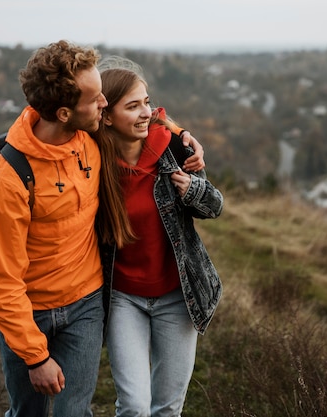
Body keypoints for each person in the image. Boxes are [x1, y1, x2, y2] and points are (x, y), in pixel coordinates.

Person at [0, 41, 204, 417]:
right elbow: (0, 283)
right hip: (29, 310)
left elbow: (144, 114)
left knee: (75, 413)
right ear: (65, 112)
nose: (104, 103)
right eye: (96, 98)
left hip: (86, 305)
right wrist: (35, 359)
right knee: (28, 413)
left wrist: (183, 134)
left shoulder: (91, 139)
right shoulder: (11, 178)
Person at [94, 59, 223, 417]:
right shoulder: (91, 160)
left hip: (177, 297)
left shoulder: (175, 151)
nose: (145, 113)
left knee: (167, 408)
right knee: (134, 406)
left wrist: (193, 190)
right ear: (105, 115)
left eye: (147, 103)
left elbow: (215, 207)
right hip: (123, 299)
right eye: (132, 106)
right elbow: (39, 138)